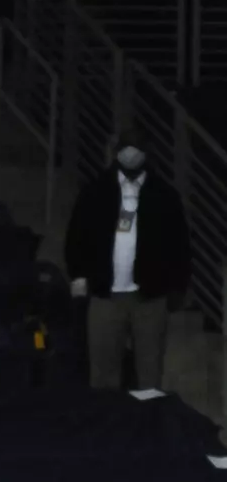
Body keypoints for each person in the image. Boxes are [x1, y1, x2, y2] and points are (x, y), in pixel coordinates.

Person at [64, 128, 190, 390]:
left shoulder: (164, 196)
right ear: (116, 151)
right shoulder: (95, 191)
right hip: (105, 294)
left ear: (148, 152)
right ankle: (108, 426)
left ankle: (148, 425)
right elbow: (77, 237)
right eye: (127, 146)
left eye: (137, 146)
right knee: (102, 374)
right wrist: (79, 278)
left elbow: (179, 244)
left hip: (150, 296)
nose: (131, 153)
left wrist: (177, 287)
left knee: (149, 373)